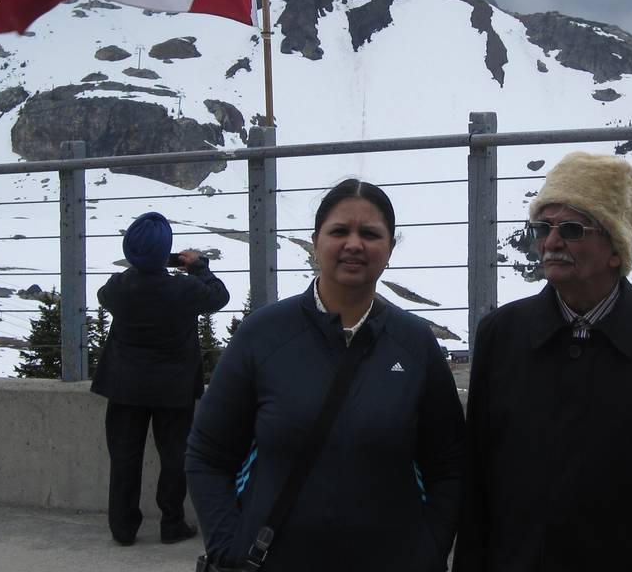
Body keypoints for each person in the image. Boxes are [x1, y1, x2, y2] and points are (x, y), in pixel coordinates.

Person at [454, 152, 632, 572]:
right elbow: (478, 489)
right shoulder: (500, 335)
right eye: (543, 228)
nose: (552, 242)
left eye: (572, 229)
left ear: (616, 249)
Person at [187, 179, 465, 572]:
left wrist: (430, 548)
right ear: (316, 242)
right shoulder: (263, 335)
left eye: (370, 233)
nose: (354, 244)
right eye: (339, 231)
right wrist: (228, 545)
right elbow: (208, 453)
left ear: (389, 248)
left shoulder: (416, 343)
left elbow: (448, 463)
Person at [91, 211, 230, 546]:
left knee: (124, 456)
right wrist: (198, 266)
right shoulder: (183, 289)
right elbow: (218, 296)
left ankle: (123, 527)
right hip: (173, 387)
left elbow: (103, 296)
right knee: (174, 455)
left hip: (124, 386)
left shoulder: (117, 287)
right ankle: (172, 523)